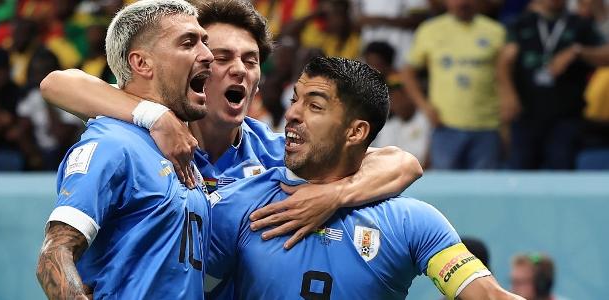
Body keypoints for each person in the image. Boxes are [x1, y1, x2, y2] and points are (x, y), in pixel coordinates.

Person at [40, 0, 423, 250]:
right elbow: (58, 84)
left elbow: (402, 163)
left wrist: (334, 195)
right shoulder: (143, 133)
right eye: (221, 57)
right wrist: (153, 116)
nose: (239, 69)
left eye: (251, 60)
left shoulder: (272, 152)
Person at [207, 56, 524, 300]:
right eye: (295, 101)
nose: (292, 114)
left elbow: (487, 295)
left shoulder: (411, 222)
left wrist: (336, 195)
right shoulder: (238, 205)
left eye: (314, 106)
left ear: (356, 131)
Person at [35, 1, 213, 299]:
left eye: (204, 42)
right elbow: (53, 255)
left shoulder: (177, 147)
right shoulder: (113, 145)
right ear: (142, 64)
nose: (208, 55)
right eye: (188, 43)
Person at [497, 0, 605, 169]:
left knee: (561, 173)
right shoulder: (520, 23)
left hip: (566, 116)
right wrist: (508, 95)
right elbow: (504, 61)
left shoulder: (579, 24)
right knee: (520, 175)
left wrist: (579, 51)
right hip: (526, 115)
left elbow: (606, 54)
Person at [402, 0, 506, 170]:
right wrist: (424, 106)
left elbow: (504, 76)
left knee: (485, 192)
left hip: (487, 125)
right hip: (445, 125)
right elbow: (407, 72)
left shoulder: (496, 31)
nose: (463, 3)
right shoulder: (430, 30)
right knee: (445, 191)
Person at [364, 41, 431, 166]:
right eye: (393, 97)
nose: (397, 102)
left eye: (402, 96)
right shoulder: (387, 125)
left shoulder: (426, 121)